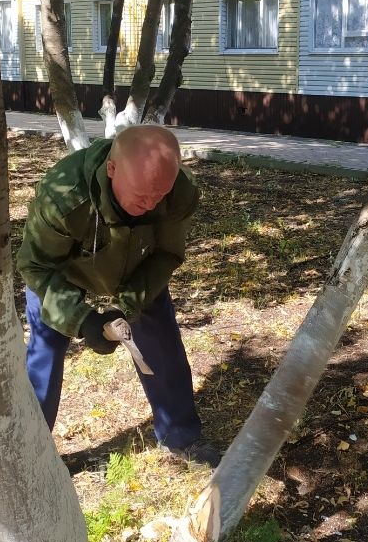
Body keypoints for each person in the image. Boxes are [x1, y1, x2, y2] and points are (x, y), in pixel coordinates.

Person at [16, 125, 220, 467]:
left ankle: (180, 436)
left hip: (136, 265)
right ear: (111, 170)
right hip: (64, 270)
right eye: (142, 195)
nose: (151, 203)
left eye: (159, 195)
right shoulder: (64, 195)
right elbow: (37, 266)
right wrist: (83, 320)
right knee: (46, 345)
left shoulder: (177, 193)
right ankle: (29, 457)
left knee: (161, 342)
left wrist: (123, 304)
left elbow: (166, 254)